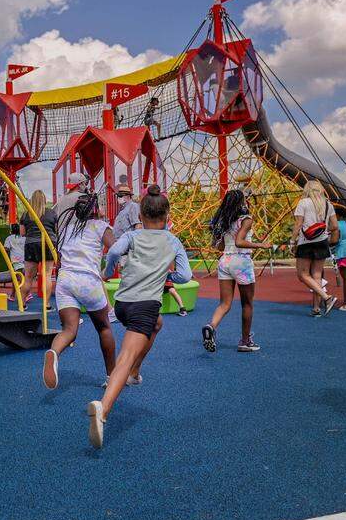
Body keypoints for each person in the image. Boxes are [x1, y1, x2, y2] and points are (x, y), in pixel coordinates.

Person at [89, 185, 191, 448]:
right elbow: (186, 276)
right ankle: (104, 410)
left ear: (142, 215)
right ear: (166, 216)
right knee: (125, 358)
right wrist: (167, 276)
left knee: (157, 324)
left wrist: (109, 271)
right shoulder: (172, 240)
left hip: (122, 303)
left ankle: (134, 373)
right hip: (144, 306)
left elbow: (112, 252)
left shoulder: (133, 236)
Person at [41, 192, 117, 391]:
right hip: (88, 281)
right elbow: (116, 249)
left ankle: (54, 353)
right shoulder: (101, 227)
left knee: (69, 330)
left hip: (65, 280)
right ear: (95, 210)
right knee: (104, 328)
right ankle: (112, 376)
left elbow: (60, 255)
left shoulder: (66, 229)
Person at [201, 189, 271, 353]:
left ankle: (211, 326)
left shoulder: (224, 221)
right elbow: (239, 242)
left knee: (225, 303)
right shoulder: (246, 219)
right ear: (241, 203)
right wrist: (261, 245)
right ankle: (245, 341)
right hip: (241, 262)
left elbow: (220, 246)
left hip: (225, 261)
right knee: (247, 304)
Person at [290, 179, 339, 316]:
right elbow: (335, 226)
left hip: (306, 242)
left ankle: (327, 298)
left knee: (303, 275)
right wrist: (323, 229)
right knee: (317, 275)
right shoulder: (328, 205)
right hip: (322, 241)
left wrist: (292, 241)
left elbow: (298, 224)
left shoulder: (303, 203)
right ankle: (316, 308)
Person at [21, 189, 57, 308]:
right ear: (44, 200)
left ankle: (22, 304)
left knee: (28, 277)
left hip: (31, 244)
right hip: (48, 243)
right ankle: (46, 304)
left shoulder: (26, 214)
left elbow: (22, 233)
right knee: (47, 274)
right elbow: (56, 230)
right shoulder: (51, 213)